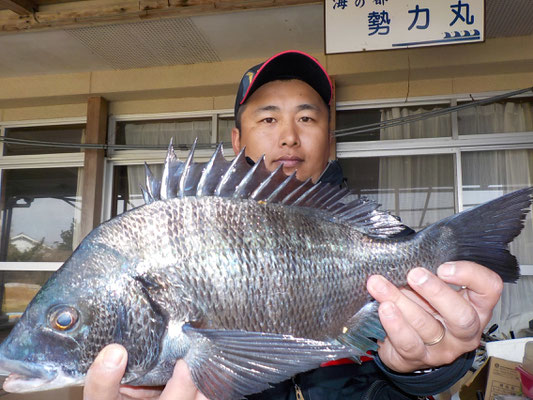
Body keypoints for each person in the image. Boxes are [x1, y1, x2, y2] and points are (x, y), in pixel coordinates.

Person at [83, 50, 503, 400]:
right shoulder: (169, 237)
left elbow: (422, 360)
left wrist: (432, 363)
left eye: (307, 118)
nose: (288, 136)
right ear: (236, 140)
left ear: (330, 137)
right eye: (267, 119)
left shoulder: (383, 245)